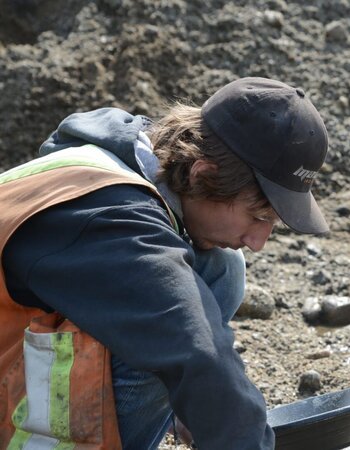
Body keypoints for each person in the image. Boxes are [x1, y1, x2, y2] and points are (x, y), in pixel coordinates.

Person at [0, 77, 329, 449]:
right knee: (185, 310)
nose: (258, 243)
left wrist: (183, 407)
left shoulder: (121, 164)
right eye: (257, 217)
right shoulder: (108, 213)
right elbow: (194, 348)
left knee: (218, 268)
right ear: (202, 174)